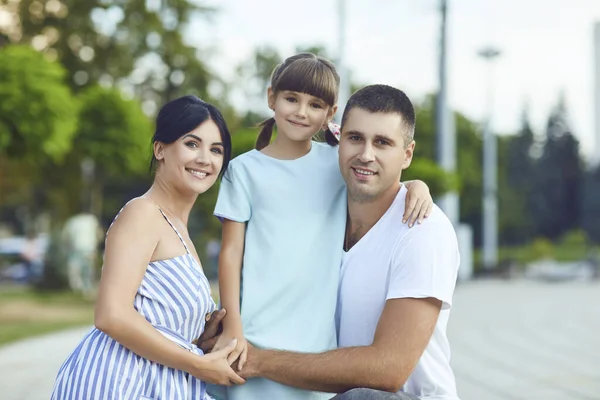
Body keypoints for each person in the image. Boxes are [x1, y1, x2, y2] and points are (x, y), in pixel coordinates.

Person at [210, 54, 434, 400]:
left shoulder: (336, 162)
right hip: (255, 328)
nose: (301, 112)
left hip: (314, 337)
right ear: (272, 97)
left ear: (330, 114)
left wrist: (416, 185)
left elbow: (378, 178)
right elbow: (230, 253)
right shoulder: (243, 171)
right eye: (291, 99)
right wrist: (234, 327)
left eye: (315, 104)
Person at [51, 95, 245, 400]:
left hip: (156, 384)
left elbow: (154, 319)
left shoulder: (178, 230)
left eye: (216, 149)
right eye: (192, 144)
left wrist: (196, 338)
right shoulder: (142, 214)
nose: (205, 159)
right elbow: (111, 315)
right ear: (160, 149)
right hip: (119, 383)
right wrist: (198, 364)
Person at [60, 212, 102, 295]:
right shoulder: (92, 219)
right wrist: (97, 245)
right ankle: (86, 289)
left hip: (76, 248)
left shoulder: (72, 221)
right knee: (87, 271)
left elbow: (65, 236)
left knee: (75, 271)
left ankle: (77, 290)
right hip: (89, 248)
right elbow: (99, 233)